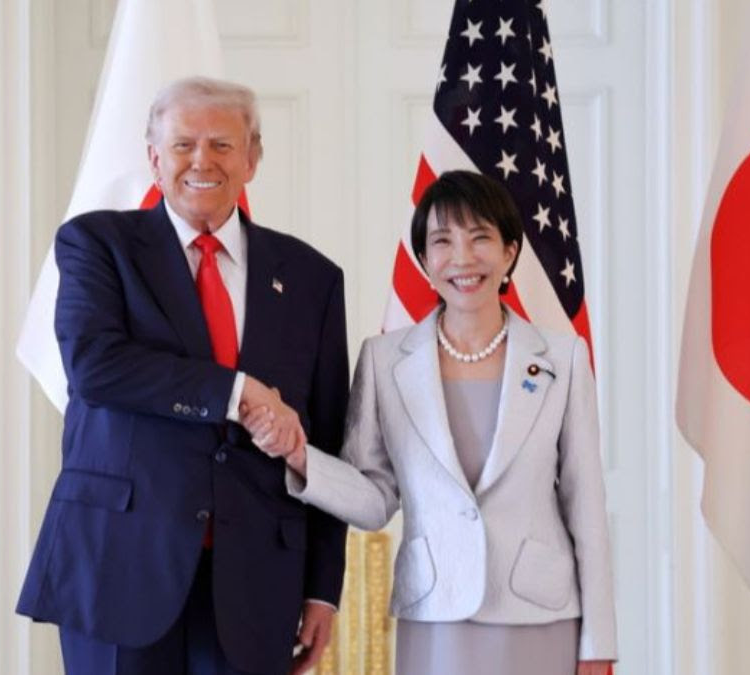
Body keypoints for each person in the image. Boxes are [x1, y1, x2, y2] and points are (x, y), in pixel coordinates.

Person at [16, 77, 350, 675]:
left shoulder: (312, 277)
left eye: (222, 145)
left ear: (252, 159)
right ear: (153, 158)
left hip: (256, 582)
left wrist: (323, 586)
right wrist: (235, 391)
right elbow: (95, 366)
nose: (202, 161)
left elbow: (325, 438)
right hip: (119, 567)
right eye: (182, 145)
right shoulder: (98, 244)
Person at [243, 171, 617, 675]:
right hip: (435, 611)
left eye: (480, 237)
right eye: (442, 241)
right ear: (424, 260)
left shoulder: (564, 359)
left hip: (541, 614)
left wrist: (598, 642)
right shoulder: (383, 360)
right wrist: (299, 456)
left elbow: (586, 502)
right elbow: (374, 499)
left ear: (509, 253)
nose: (462, 258)